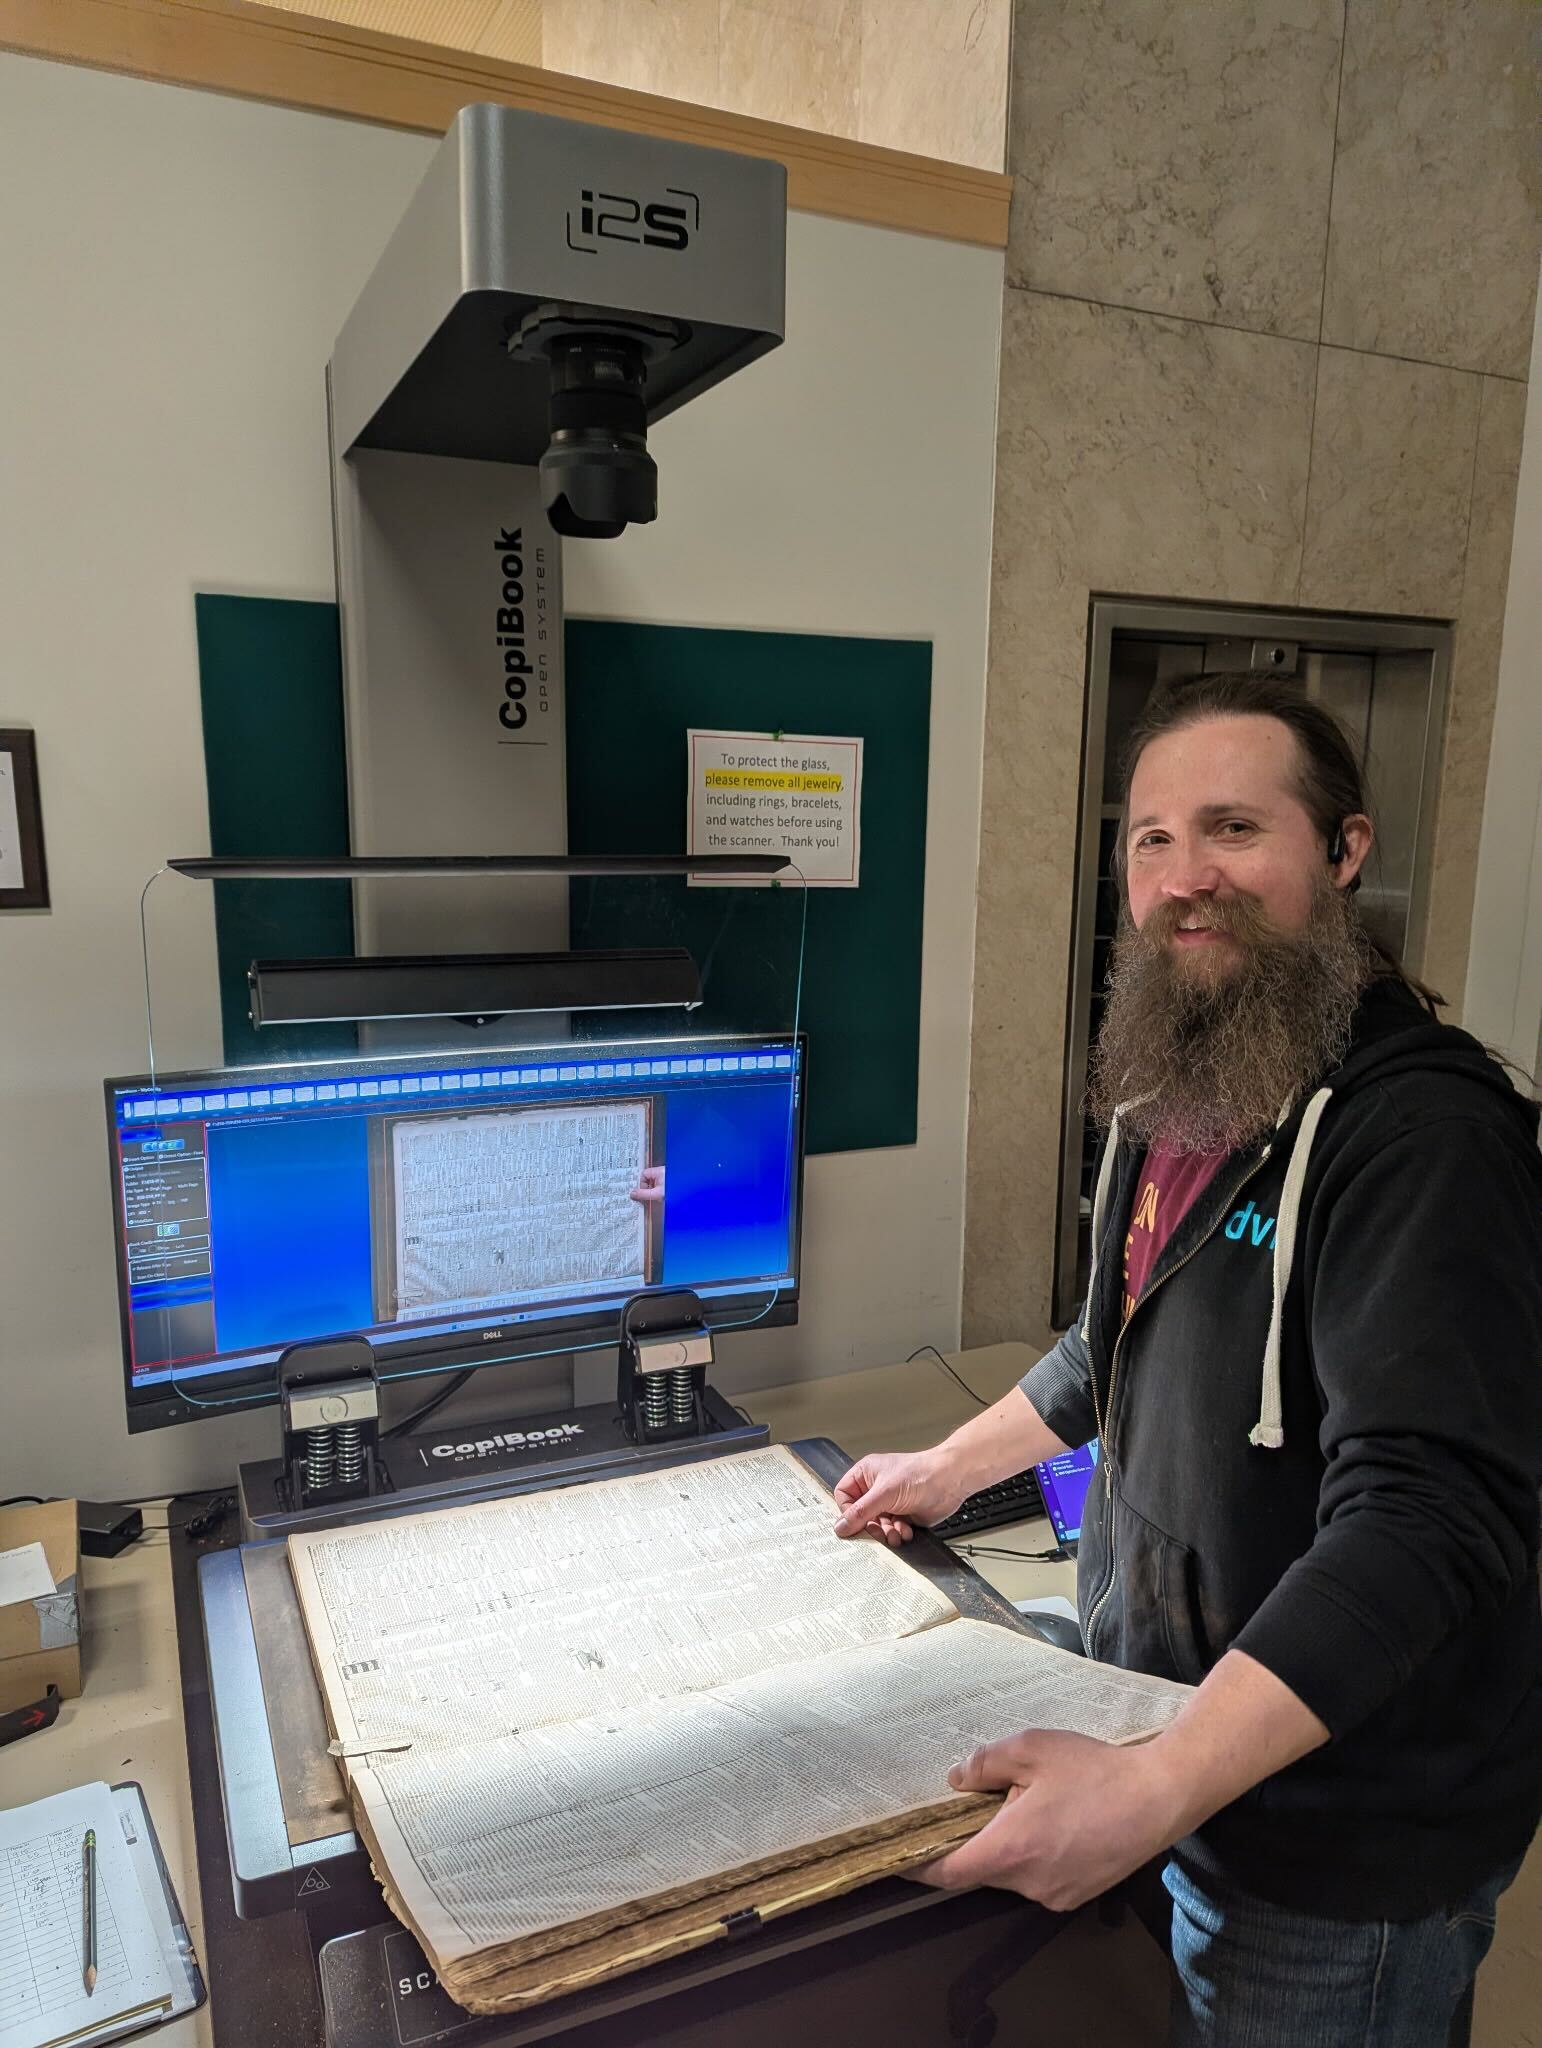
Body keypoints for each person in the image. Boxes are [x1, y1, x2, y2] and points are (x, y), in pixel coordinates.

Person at [834, 672, 1542, 2047]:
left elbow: (1428, 1519)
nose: (1181, 879)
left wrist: (1160, 1785)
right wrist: (942, 1466)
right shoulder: (1177, 1088)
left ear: (1342, 852)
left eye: (1230, 827)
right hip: (1173, 1734)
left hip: (1333, 1838)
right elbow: (1109, 1351)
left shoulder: (1423, 1143)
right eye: (1150, 839)